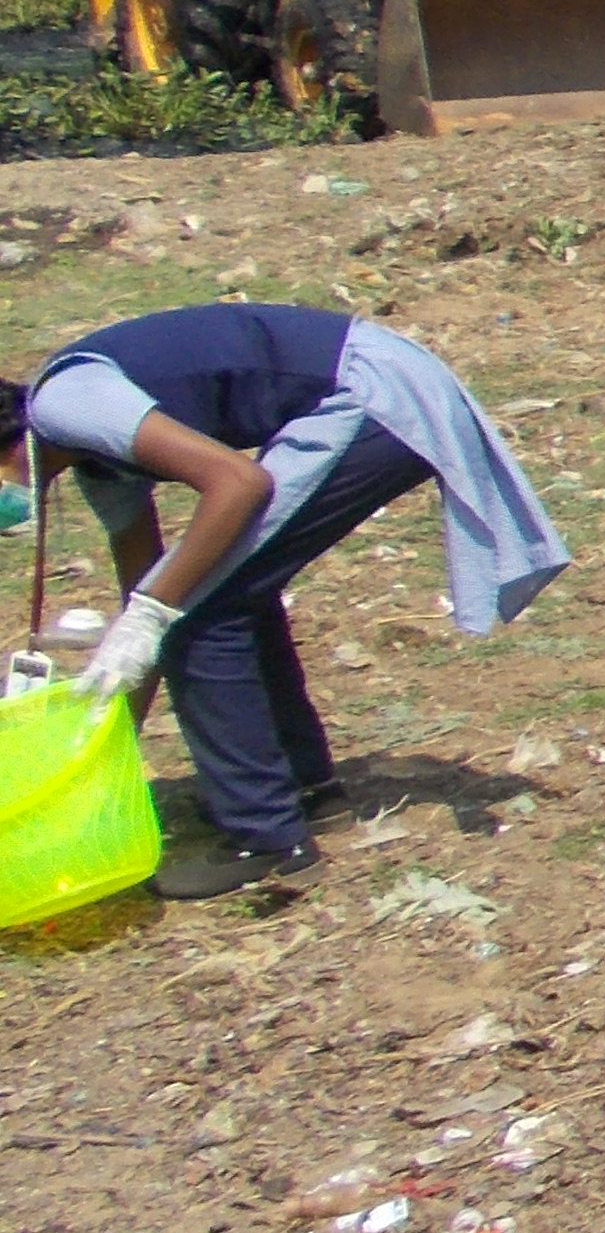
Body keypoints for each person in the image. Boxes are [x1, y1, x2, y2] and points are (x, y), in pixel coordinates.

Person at [8, 302, 565, 900]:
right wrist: (102, 735)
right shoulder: (96, 465)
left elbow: (238, 483)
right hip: (366, 389)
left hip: (370, 392)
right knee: (214, 592)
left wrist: (153, 616)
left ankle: (265, 839)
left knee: (198, 611)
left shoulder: (63, 405)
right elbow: (145, 590)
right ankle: (304, 789)